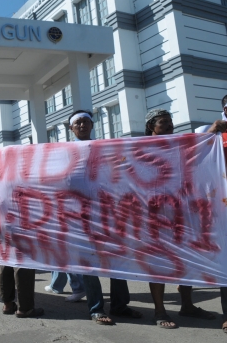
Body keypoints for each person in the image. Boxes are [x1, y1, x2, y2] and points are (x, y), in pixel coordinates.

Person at [144, 108, 225, 329]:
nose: (169, 125)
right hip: (155, 214)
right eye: (163, 122)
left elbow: (198, 150)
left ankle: (187, 305)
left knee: (186, 257)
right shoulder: (142, 147)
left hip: (182, 211)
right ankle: (160, 311)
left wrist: (212, 131)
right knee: (159, 261)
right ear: (151, 126)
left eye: (170, 121)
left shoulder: (178, 144)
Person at [69, 109, 142, 325]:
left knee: (116, 261)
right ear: (71, 128)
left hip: (108, 214)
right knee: (90, 265)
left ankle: (120, 306)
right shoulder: (64, 152)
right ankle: (96, 309)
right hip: (80, 217)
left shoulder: (104, 149)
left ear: (92, 126)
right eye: (78, 123)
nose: (82, 126)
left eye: (86, 122)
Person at [206, 94, 227, 335]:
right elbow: (192, 150)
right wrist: (212, 130)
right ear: (226, 109)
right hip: (226, 209)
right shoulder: (215, 134)